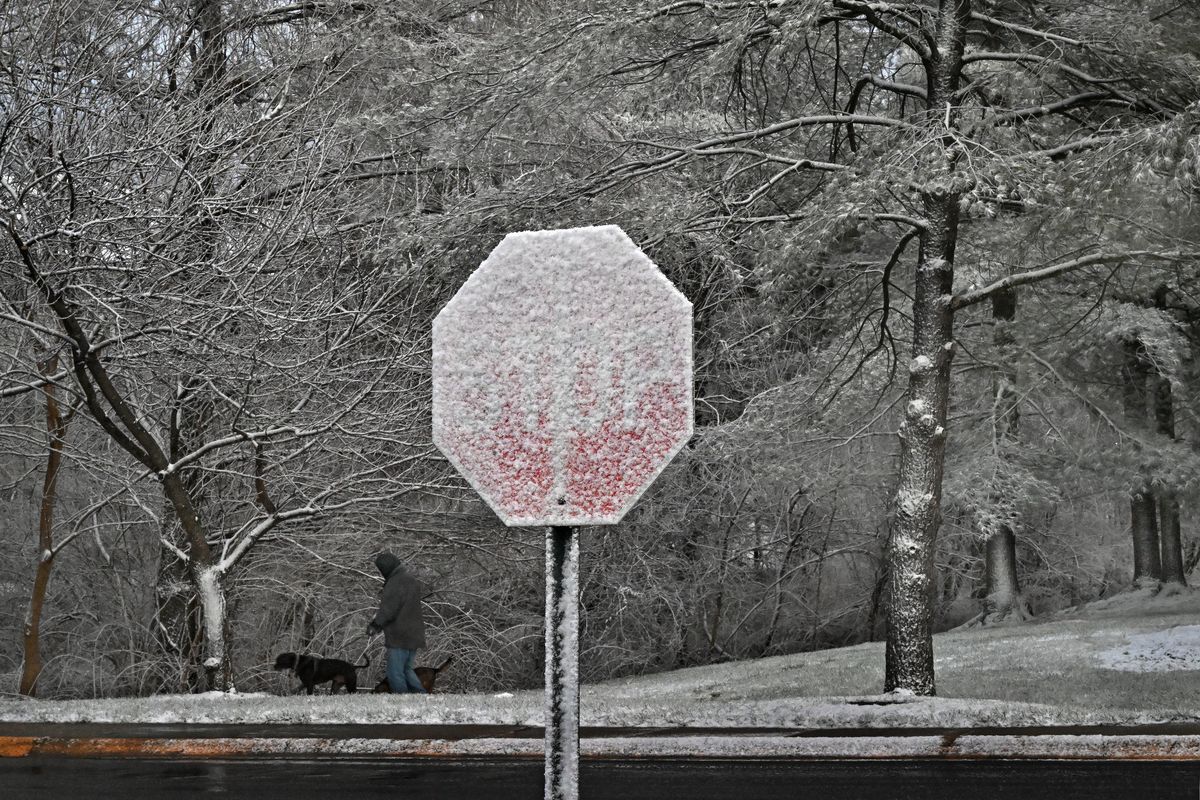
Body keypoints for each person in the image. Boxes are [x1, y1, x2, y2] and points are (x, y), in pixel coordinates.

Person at [367, 551, 428, 693]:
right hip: (414, 633)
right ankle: (421, 697)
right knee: (406, 669)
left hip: (400, 634)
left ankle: (403, 701)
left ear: (385, 568)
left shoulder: (396, 582)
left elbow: (389, 609)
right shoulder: (410, 579)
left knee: (394, 672)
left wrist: (375, 625)